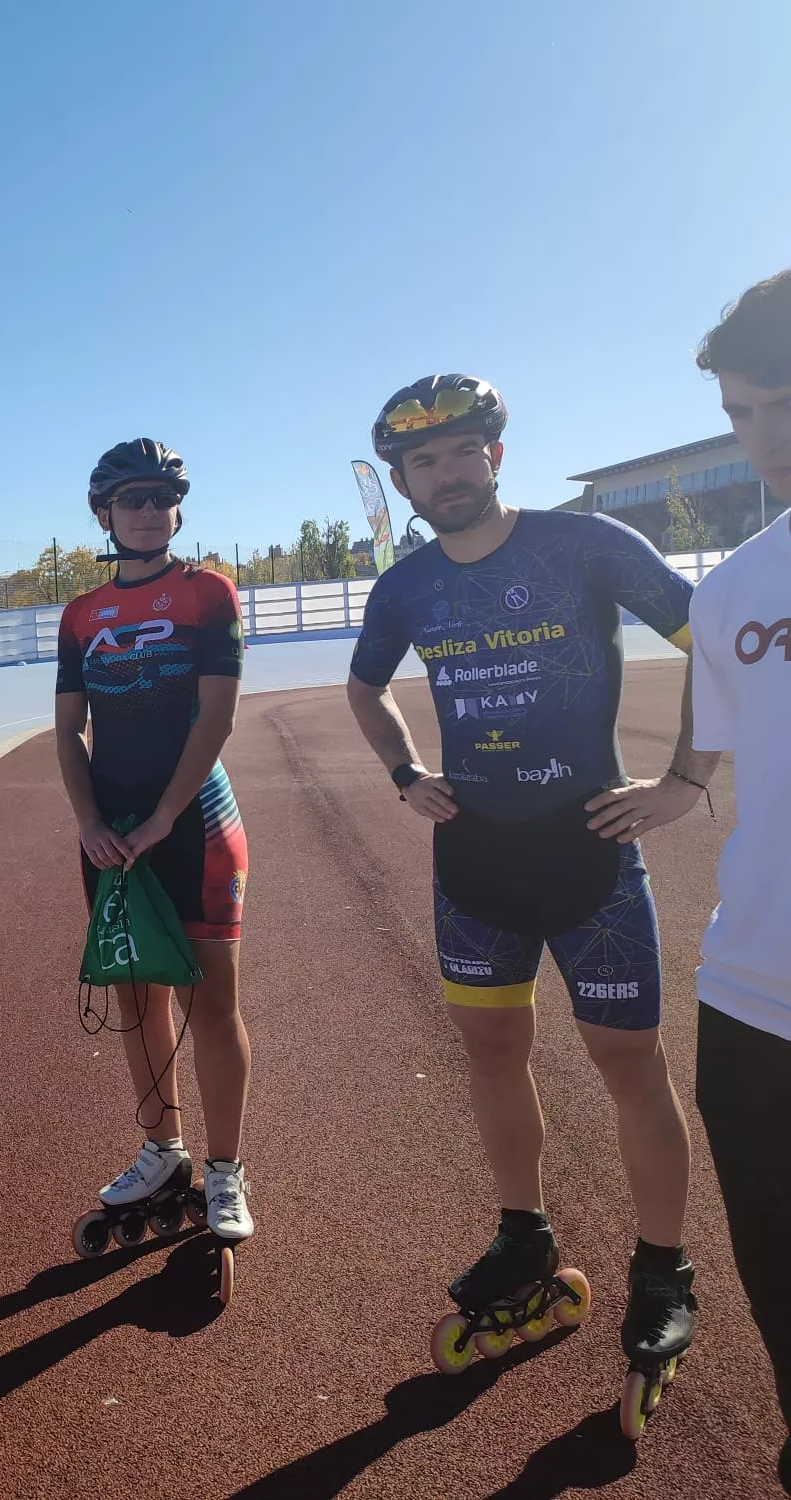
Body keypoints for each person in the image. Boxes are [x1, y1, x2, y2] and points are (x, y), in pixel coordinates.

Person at [345, 375, 714, 1409]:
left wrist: (684, 781)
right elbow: (362, 685)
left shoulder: (582, 546)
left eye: (463, 451)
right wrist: (403, 775)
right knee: (490, 1054)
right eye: (423, 462)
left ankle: (661, 1269)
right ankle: (523, 1236)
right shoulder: (404, 587)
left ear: (494, 456)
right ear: (402, 480)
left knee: (626, 1064)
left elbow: (709, 645)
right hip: (471, 864)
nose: (446, 473)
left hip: (587, 850)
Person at [54, 440, 256, 1249]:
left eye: (160, 497)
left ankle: (227, 1168)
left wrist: (164, 815)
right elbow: (69, 730)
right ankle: (162, 1151)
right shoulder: (80, 614)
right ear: (104, 513)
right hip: (112, 834)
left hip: (193, 823)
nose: (146, 510)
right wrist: (90, 822)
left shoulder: (210, 593)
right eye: (130, 498)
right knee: (139, 1004)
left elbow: (218, 717)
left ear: (177, 510)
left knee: (213, 1003)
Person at [688, 269, 791, 1490]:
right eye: (741, 415)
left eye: (783, 405)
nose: (762, 440)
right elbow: (723, 768)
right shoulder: (729, 595)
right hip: (748, 998)